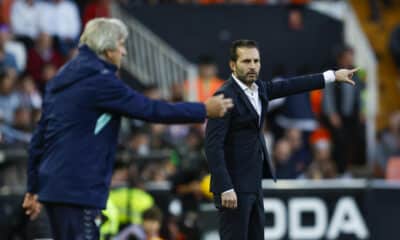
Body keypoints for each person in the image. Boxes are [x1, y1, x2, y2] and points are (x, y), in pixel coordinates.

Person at [22, 18, 233, 240]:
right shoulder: (100, 82)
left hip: (54, 187)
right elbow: (151, 109)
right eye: (121, 45)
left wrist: (33, 187)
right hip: (79, 189)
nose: (123, 52)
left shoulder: (60, 79)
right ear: (107, 48)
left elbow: (39, 137)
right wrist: (203, 109)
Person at [205, 39, 357, 240]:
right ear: (232, 65)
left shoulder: (259, 88)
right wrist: (225, 186)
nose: (252, 66)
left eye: (256, 61)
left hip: (254, 184)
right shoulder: (224, 96)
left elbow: (292, 85)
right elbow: (212, 146)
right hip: (233, 188)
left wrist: (331, 76)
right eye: (246, 61)